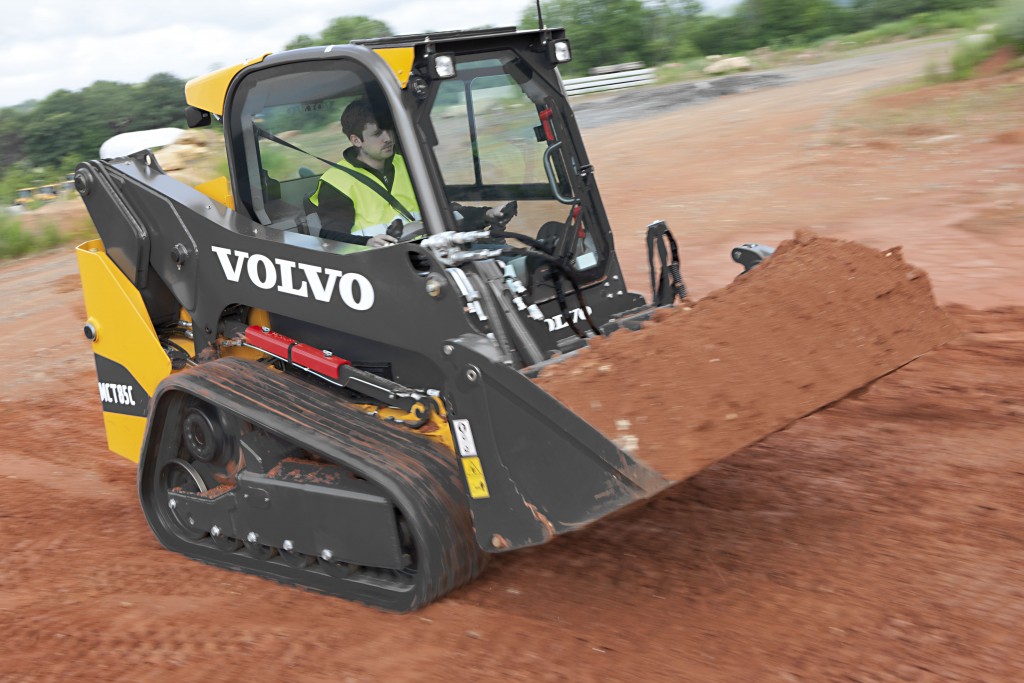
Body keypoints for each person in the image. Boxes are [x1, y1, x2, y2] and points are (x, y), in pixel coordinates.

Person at [308, 99, 513, 249]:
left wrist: (486, 213)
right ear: (356, 140)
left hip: (430, 252)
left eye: (389, 130)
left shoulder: (408, 164)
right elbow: (331, 237)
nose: (388, 138)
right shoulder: (336, 183)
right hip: (377, 267)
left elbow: (442, 210)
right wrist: (367, 242)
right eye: (378, 133)